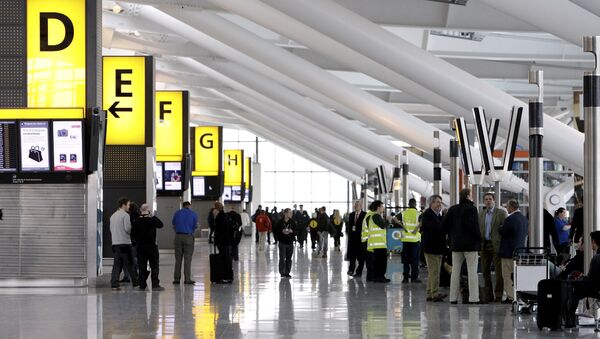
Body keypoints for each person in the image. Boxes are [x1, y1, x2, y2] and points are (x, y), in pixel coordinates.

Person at [443, 188, 482, 304]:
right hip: (470, 246)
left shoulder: (453, 209)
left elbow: (444, 226)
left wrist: (452, 236)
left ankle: (453, 298)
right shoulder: (472, 209)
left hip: (456, 246)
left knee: (455, 271)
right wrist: (479, 239)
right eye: (471, 195)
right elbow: (474, 227)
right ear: (468, 196)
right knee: (472, 272)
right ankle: (474, 298)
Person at [478, 192, 507, 302]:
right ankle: (488, 295)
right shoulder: (481, 214)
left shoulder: (501, 213)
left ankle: (498, 294)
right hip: (484, 245)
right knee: (485, 272)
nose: (488, 201)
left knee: (499, 272)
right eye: (486, 199)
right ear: (484, 201)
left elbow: (505, 230)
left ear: (494, 200)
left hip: (497, 245)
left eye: (490, 199)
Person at [498, 199, 528, 304]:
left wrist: (500, 228)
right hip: (520, 252)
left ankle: (511, 296)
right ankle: (518, 296)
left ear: (511, 207)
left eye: (507, 206)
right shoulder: (524, 219)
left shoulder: (510, 219)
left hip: (508, 252)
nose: (506, 208)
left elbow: (504, 232)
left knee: (507, 276)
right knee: (517, 275)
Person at [131, 203, 164, 291]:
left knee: (141, 266)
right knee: (154, 266)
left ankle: (142, 284)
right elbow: (161, 225)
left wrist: (136, 243)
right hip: (152, 246)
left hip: (141, 247)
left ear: (141, 210)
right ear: (148, 211)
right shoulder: (151, 220)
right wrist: (153, 216)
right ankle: (155, 284)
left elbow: (132, 235)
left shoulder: (136, 221)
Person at [421, 194, 447, 302]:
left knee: (433, 271)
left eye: (440, 203)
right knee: (434, 271)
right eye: (437, 202)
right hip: (431, 248)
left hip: (437, 248)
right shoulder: (427, 215)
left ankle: (430, 292)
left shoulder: (437, 215)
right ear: (431, 203)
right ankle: (435, 293)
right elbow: (436, 228)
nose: (439, 205)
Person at [109, 197, 138, 290]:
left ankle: (114, 284)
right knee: (130, 263)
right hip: (125, 243)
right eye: (128, 205)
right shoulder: (125, 216)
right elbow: (128, 229)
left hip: (115, 243)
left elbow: (111, 230)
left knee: (117, 265)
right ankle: (136, 283)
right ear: (124, 205)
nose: (129, 207)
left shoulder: (113, 216)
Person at [172, 201, 198, 285]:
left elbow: (173, 225)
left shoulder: (177, 213)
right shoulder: (193, 214)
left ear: (182, 206)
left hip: (178, 236)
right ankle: (187, 279)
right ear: (189, 206)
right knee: (187, 259)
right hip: (188, 236)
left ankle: (176, 279)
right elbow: (195, 226)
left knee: (178, 259)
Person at [399, 198, 422, 283]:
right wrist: (417, 227)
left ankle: (405, 278)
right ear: (415, 204)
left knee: (405, 260)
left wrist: (403, 226)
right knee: (414, 260)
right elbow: (424, 220)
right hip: (415, 240)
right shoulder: (418, 213)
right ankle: (414, 278)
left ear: (408, 204)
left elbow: (394, 218)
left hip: (405, 240)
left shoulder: (404, 213)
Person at [366, 200, 390, 283]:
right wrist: (387, 220)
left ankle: (379, 277)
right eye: (382, 207)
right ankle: (380, 277)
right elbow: (383, 226)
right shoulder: (375, 216)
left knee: (379, 262)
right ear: (378, 207)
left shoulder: (375, 216)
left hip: (379, 243)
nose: (383, 208)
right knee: (381, 262)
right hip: (378, 244)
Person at [214, 202, 234, 284]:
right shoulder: (226, 216)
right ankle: (228, 276)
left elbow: (220, 231)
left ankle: (225, 276)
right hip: (227, 241)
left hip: (223, 242)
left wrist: (217, 241)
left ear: (217, 208)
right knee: (227, 259)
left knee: (224, 259)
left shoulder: (220, 217)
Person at [346, 200, 367, 278]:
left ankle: (359, 272)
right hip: (352, 239)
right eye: (355, 205)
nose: (356, 206)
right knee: (352, 256)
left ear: (361, 206)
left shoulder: (365, 215)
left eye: (357, 205)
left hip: (361, 239)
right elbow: (349, 226)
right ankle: (351, 270)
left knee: (361, 257)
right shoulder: (351, 215)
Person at [274, 208, 295, 278]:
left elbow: (296, 231)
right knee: (282, 258)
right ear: (285, 213)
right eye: (289, 213)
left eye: (291, 213)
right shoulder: (280, 222)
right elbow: (275, 231)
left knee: (289, 258)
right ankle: (282, 272)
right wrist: (282, 231)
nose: (291, 214)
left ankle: (287, 272)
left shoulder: (292, 222)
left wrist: (292, 232)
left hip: (290, 242)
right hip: (282, 242)